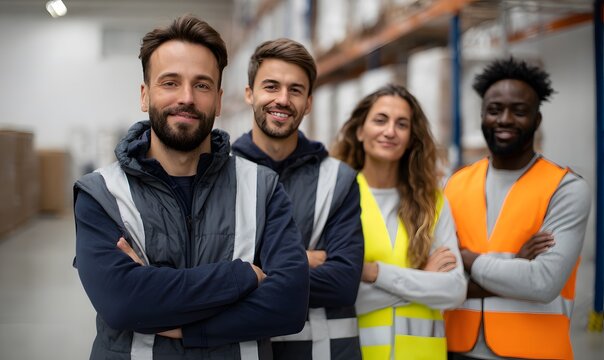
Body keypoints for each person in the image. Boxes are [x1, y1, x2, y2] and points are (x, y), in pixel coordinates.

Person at [73, 15, 310, 360]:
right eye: (170, 82)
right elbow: (122, 304)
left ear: (217, 99)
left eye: (201, 85)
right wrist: (242, 276)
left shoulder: (261, 187)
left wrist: (177, 317)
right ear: (144, 95)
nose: (186, 97)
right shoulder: (102, 194)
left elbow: (288, 306)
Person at [444, 58, 591, 360]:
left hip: (535, 351)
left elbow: (542, 282)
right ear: (482, 115)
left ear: (537, 120)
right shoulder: (455, 184)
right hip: (456, 348)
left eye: (519, 111)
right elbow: (438, 275)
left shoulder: (565, 188)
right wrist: (515, 261)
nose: (505, 119)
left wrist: (467, 258)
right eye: (495, 110)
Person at [231, 38, 364, 360]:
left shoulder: (339, 178)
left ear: (308, 102)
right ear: (249, 93)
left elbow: (343, 283)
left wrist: (252, 269)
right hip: (244, 349)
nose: (282, 99)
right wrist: (303, 259)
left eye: (295, 90)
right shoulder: (220, 174)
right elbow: (204, 270)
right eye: (271, 86)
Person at [331, 83, 467, 360]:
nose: (390, 131)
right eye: (380, 120)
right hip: (358, 354)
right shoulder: (336, 196)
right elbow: (338, 297)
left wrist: (374, 273)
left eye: (402, 124)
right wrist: (425, 280)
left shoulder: (432, 202)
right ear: (360, 131)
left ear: (411, 138)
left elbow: (454, 291)